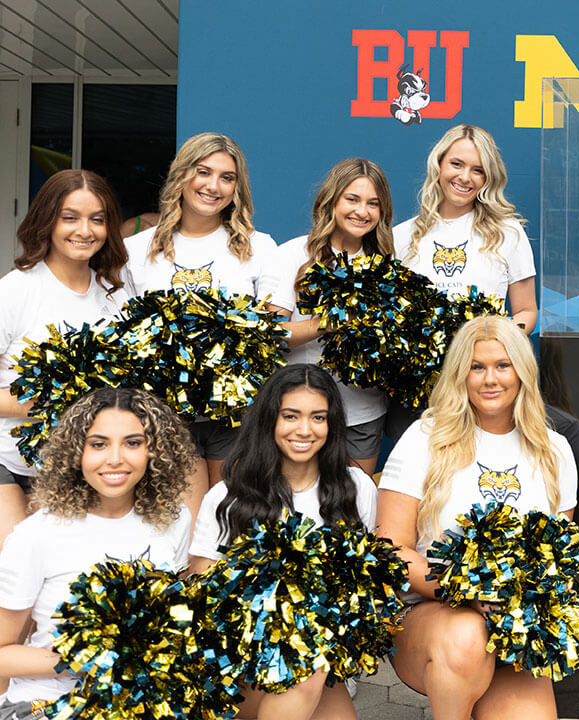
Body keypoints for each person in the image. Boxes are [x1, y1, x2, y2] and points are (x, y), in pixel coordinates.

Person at [377, 316, 576, 720]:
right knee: (468, 635)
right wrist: (469, 591)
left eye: (503, 365)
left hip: (512, 625)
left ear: (522, 371)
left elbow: (561, 557)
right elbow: (391, 550)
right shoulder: (424, 439)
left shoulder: (554, 449)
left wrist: (519, 603)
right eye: (476, 366)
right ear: (459, 374)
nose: (490, 379)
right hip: (432, 616)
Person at [188, 363, 377, 720]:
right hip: (246, 667)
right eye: (291, 416)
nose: (304, 430)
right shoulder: (228, 495)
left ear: (332, 424)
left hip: (325, 665)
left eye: (318, 417)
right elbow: (202, 588)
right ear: (269, 420)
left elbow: (365, 584)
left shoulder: (356, 487)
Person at [0, 388, 195, 716]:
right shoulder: (38, 534)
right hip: (48, 705)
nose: (115, 458)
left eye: (133, 443)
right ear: (76, 452)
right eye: (98, 444)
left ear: (155, 451)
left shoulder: (174, 519)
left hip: (143, 704)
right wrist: (91, 659)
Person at [124, 132, 277, 498]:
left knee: (233, 516)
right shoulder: (134, 250)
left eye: (227, 177)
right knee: (181, 523)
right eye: (203, 172)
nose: (214, 186)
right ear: (182, 175)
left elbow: (271, 335)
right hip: (163, 415)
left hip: (237, 416)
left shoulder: (260, 248)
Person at [0, 170, 130, 546]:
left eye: (98, 219)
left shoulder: (114, 298)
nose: (84, 230)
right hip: (9, 461)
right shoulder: (16, 290)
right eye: (70, 217)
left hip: (82, 468)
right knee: (16, 570)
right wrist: (56, 397)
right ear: (47, 221)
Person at [261, 158, 395, 475]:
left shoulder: (386, 264)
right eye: (352, 199)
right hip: (298, 417)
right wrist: (331, 321)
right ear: (331, 199)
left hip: (362, 414)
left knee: (353, 509)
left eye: (373, 203)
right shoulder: (292, 255)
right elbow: (268, 334)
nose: (362, 211)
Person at [393, 124, 536, 334]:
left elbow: (527, 312)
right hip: (416, 366)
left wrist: (496, 346)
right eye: (457, 164)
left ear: (488, 178)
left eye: (478, 170)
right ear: (439, 164)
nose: (465, 177)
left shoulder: (508, 233)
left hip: (481, 364)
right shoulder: (401, 236)